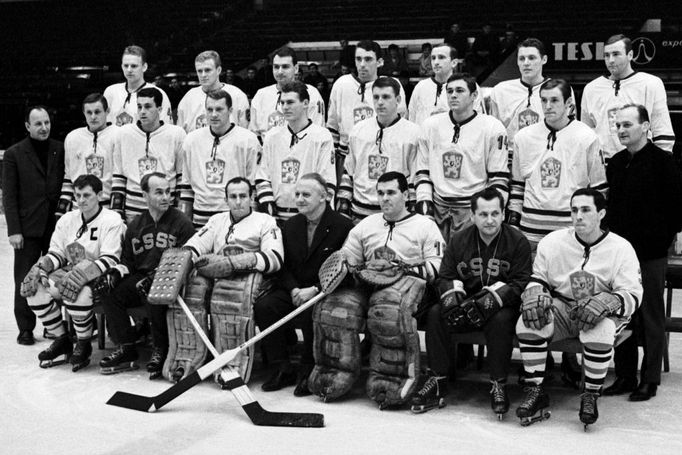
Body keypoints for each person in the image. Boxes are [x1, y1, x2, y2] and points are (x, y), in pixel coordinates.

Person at [309, 171, 445, 409]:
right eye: (380, 193)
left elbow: (438, 265)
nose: (385, 198)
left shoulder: (425, 226)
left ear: (406, 194)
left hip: (409, 291)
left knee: (388, 311)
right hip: (369, 285)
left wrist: (400, 270)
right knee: (336, 308)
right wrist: (350, 266)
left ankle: (391, 382)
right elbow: (348, 256)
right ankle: (332, 376)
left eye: (391, 192)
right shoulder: (366, 225)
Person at [515, 188, 642, 428]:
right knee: (528, 322)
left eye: (585, 210)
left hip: (602, 313)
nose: (578, 216)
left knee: (601, 329)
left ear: (601, 213)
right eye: (574, 210)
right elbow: (539, 277)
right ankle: (536, 390)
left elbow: (633, 294)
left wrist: (609, 302)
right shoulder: (553, 242)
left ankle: (590, 394)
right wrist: (534, 292)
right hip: (563, 305)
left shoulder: (621, 247)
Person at [412, 187, 531, 417]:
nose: (489, 220)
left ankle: (498, 384)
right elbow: (445, 275)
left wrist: (496, 298)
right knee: (436, 312)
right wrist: (452, 296)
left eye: (495, 214)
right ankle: (438, 380)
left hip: (501, 311)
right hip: (466, 308)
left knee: (501, 319)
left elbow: (522, 282)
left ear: (503, 214)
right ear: (473, 215)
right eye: (483, 214)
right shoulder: (459, 240)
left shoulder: (518, 241)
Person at [167, 177, 283, 382]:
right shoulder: (216, 220)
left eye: (243, 196)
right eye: (233, 197)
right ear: (226, 199)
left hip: (249, 279)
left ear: (251, 198)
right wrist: (184, 263)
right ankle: (188, 358)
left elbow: (275, 258)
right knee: (191, 289)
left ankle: (233, 364)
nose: (238, 201)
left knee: (229, 296)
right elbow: (195, 245)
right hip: (217, 275)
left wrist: (236, 262)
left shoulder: (265, 221)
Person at [603, 104, 682, 401]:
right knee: (622, 311)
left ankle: (649, 379)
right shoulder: (617, 162)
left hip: (650, 252)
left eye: (628, 125)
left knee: (650, 313)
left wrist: (662, 240)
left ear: (646, 126)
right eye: (618, 125)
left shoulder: (664, 162)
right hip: (620, 253)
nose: (622, 130)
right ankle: (624, 375)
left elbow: (677, 208)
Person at [255, 173, 354, 394]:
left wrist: (316, 290)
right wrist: (293, 289)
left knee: (312, 312)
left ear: (324, 197)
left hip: (324, 291)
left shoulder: (343, 226)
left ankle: (308, 369)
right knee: (265, 306)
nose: (299, 199)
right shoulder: (291, 225)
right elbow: (284, 265)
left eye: (306, 195)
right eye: (297, 194)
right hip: (295, 288)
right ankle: (281, 366)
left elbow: (346, 269)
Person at [20, 175, 125, 372]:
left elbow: (111, 258)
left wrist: (81, 274)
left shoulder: (112, 220)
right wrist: (42, 267)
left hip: (98, 276)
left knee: (77, 294)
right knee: (34, 291)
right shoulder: (67, 219)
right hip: (68, 272)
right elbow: (57, 252)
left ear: (100, 195)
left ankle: (83, 343)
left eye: (87, 195)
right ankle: (62, 339)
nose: (82, 200)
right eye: (78, 195)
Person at [98, 172, 195, 378]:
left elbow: (188, 259)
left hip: (171, 280)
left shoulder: (182, 222)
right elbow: (127, 261)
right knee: (109, 291)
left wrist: (158, 276)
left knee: (152, 290)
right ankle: (126, 346)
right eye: (159, 192)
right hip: (141, 277)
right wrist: (115, 272)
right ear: (145, 195)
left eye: (168, 192)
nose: (165, 197)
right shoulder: (135, 225)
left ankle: (161, 348)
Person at [508, 79, 607, 249]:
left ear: (568, 102)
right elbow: (517, 186)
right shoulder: (523, 137)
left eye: (554, 100)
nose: (548, 106)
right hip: (530, 231)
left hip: (571, 231)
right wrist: (513, 224)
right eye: (544, 100)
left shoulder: (587, 137)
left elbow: (599, 190)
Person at [415, 73, 509, 243]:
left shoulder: (492, 127)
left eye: (459, 90)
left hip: (472, 209)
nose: (453, 95)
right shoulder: (430, 125)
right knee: (438, 263)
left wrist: (487, 212)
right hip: (438, 207)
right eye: (449, 91)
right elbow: (422, 171)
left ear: (474, 95)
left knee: (470, 264)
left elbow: (498, 178)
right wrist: (425, 204)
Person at [2, 106, 64, 345]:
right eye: (38, 123)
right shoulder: (14, 153)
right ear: (27, 126)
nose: (44, 128)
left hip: (55, 226)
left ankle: (54, 326)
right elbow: (9, 195)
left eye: (47, 122)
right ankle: (25, 328)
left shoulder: (59, 148)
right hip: (27, 229)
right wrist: (14, 230)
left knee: (56, 277)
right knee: (24, 278)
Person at [336, 76, 422, 221]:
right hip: (359, 211)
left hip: (397, 214)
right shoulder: (358, 130)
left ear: (398, 99)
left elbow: (415, 177)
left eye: (386, 97)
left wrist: (413, 212)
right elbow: (348, 171)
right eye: (376, 97)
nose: (380, 102)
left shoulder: (413, 133)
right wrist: (343, 206)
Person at [581, 34, 675, 161]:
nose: (611, 60)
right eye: (607, 55)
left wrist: (662, 164)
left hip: (642, 163)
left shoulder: (651, 83)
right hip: (603, 165)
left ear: (630, 55)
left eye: (616, 54)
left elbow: (662, 128)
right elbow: (586, 133)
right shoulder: (591, 89)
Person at [254, 81, 336, 223]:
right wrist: (269, 210)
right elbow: (262, 177)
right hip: (277, 216)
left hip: (310, 217)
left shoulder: (322, 136)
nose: (285, 107)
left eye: (290, 102)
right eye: (282, 102)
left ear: (305, 103)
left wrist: (314, 216)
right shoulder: (272, 136)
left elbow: (327, 181)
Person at [327, 40, 408, 181]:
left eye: (368, 59)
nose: (362, 64)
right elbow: (332, 126)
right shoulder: (341, 84)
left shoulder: (392, 85)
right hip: (346, 155)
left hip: (382, 154)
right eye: (358, 59)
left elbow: (400, 128)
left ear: (380, 62)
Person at [178, 90, 260, 227]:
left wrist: (252, 223)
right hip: (200, 217)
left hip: (236, 218)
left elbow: (253, 188)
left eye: (219, 109)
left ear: (230, 110)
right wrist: (185, 224)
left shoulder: (248, 140)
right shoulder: (191, 140)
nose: (214, 114)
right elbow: (186, 188)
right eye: (210, 109)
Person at [489, 38, 576, 161]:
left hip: (548, 155)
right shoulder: (500, 91)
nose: (526, 63)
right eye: (522, 58)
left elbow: (570, 129)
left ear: (544, 59)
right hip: (510, 158)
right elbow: (493, 133)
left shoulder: (561, 90)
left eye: (531, 58)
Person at [111, 87, 185, 223]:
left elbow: (182, 177)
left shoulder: (177, 134)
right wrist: (116, 213)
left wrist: (179, 212)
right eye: (139, 107)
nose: (142, 112)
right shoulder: (123, 134)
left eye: (148, 106)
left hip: (166, 211)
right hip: (133, 211)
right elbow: (118, 176)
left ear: (160, 109)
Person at [249, 47, 326, 142]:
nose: (280, 71)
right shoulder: (261, 95)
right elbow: (254, 134)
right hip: (269, 153)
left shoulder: (311, 93)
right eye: (276, 67)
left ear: (296, 68)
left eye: (285, 67)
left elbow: (317, 133)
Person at [59, 93, 117, 214]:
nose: (93, 116)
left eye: (97, 112)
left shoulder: (118, 135)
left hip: (107, 208)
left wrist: (117, 210)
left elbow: (121, 176)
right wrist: (62, 209)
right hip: (78, 208)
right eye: (89, 112)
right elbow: (69, 176)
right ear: (83, 113)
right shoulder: (72, 138)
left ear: (107, 111)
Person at [408, 43, 487, 127]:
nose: (436, 62)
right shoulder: (421, 87)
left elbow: (479, 119)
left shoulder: (469, 85)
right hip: (426, 138)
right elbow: (412, 118)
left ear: (454, 62)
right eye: (433, 58)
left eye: (441, 57)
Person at [176, 50, 250, 132]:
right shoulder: (189, 98)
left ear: (218, 70)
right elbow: (180, 133)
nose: (203, 75)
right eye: (199, 71)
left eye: (207, 70)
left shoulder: (237, 96)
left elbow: (245, 132)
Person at [103, 45, 172, 126]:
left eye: (134, 66)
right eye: (126, 66)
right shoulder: (111, 91)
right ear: (121, 66)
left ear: (144, 67)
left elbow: (166, 129)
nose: (129, 70)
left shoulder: (158, 93)